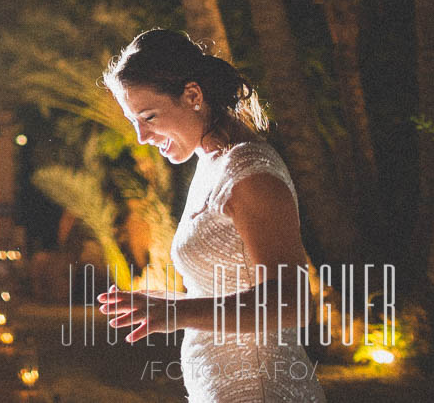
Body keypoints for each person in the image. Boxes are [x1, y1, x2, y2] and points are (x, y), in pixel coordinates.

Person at [98, 29, 325, 402]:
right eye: (132, 120)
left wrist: (179, 311)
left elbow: (293, 302)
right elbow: (229, 288)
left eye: (149, 116)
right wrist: (172, 302)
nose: (140, 135)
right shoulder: (212, 162)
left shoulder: (250, 172)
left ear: (193, 96)